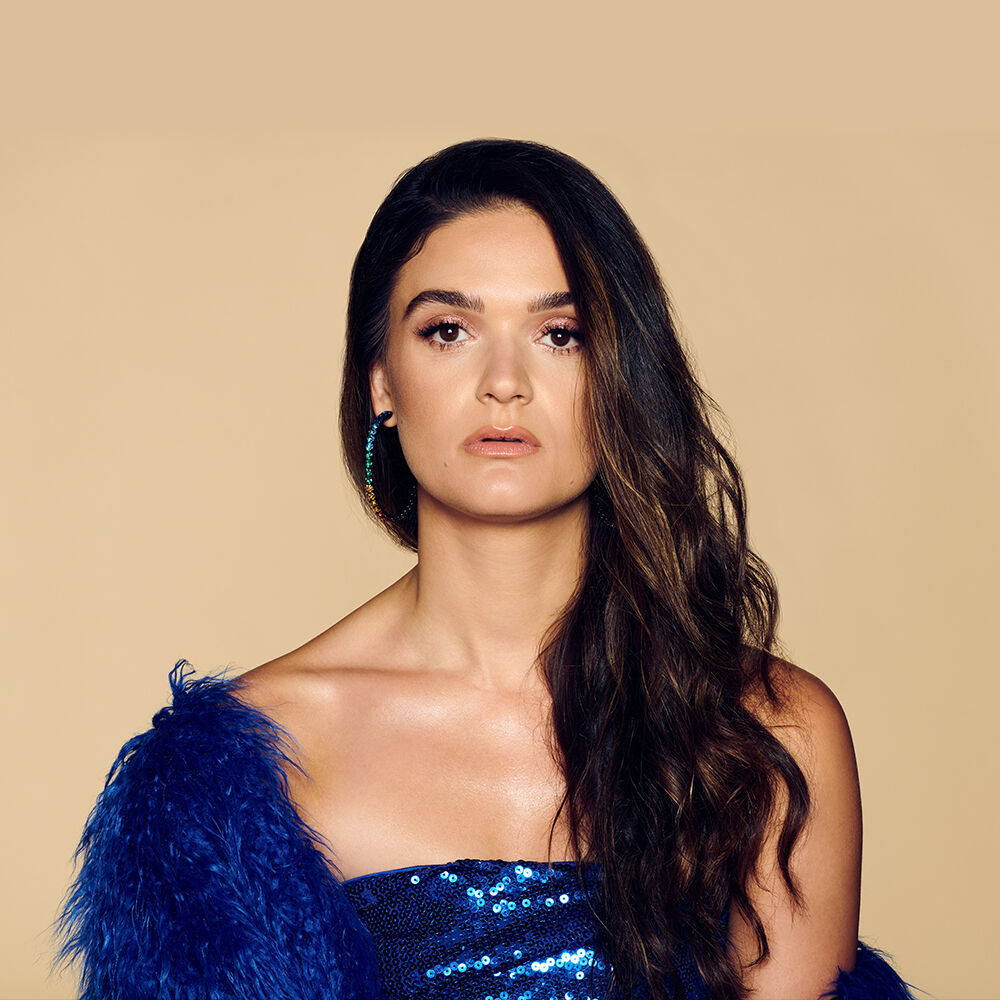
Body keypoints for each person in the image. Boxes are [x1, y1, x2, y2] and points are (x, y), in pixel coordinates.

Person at [53, 138, 919, 999]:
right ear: (383, 381)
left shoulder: (766, 733)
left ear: (620, 376)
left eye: (560, 335)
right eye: (448, 331)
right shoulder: (239, 771)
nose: (505, 382)